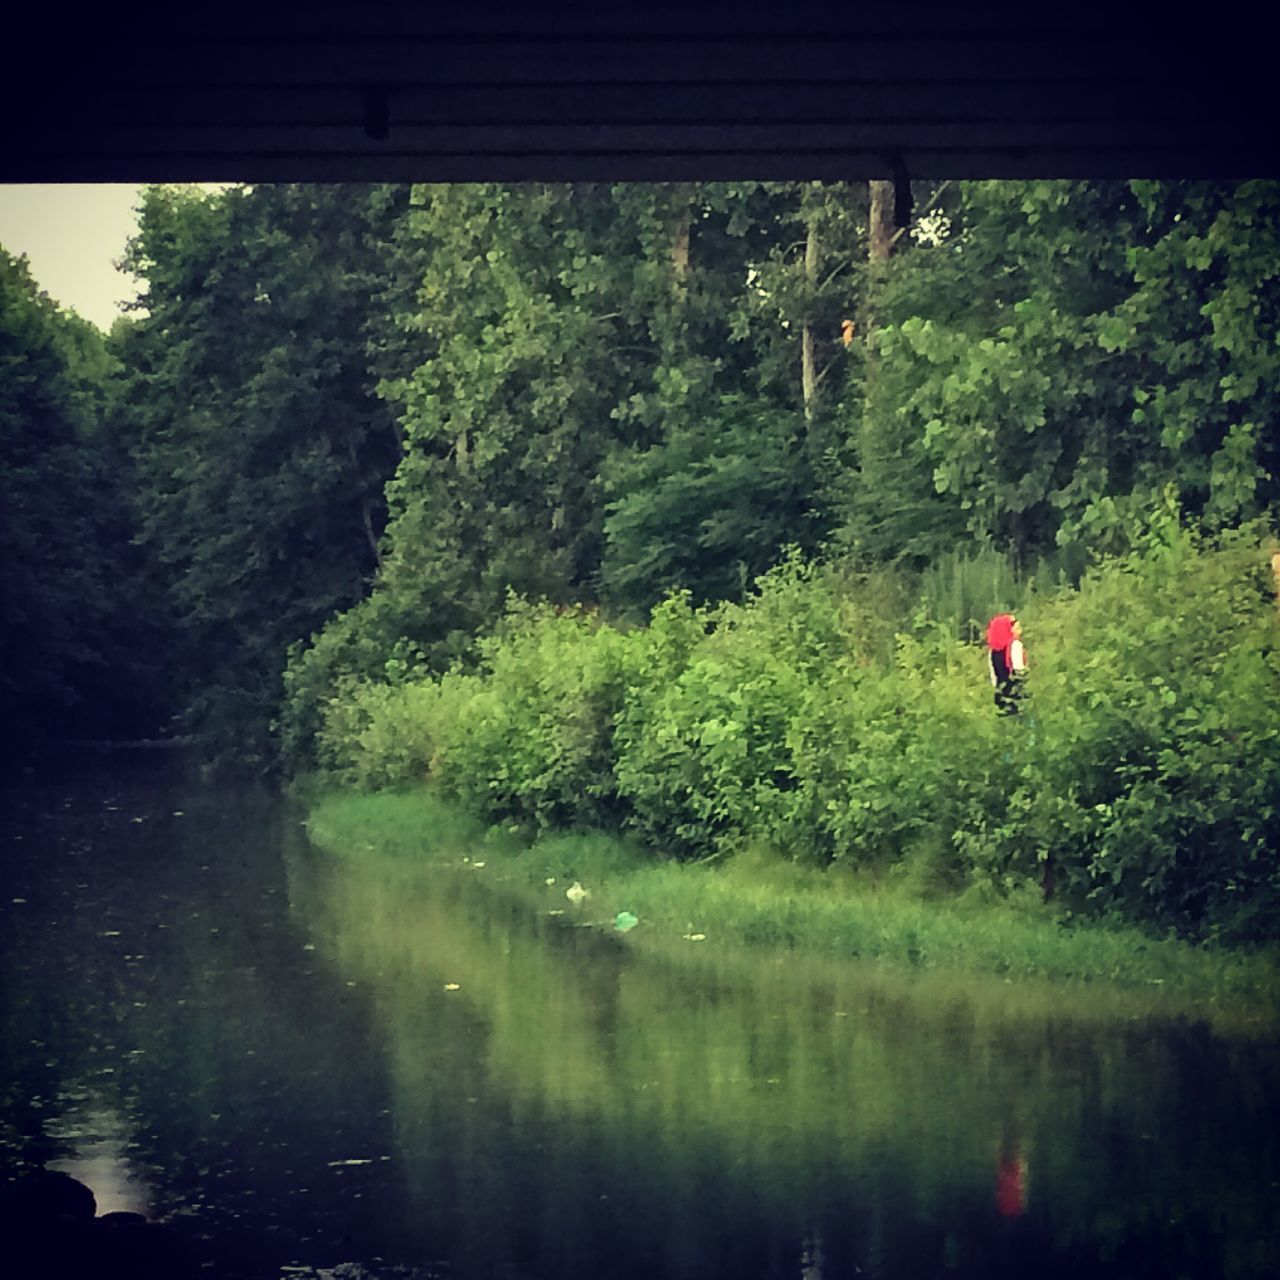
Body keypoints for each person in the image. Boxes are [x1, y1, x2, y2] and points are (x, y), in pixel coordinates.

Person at [987, 613, 1028, 715]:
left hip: (1001, 695)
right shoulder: (1015, 646)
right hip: (1016, 694)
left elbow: (994, 678)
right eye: (1017, 628)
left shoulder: (992, 652)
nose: (1020, 631)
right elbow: (1020, 671)